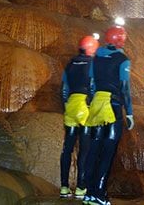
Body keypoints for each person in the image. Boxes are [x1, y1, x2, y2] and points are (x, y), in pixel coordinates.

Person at [82, 22, 134, 205]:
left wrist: (91, 104)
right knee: (108, 152)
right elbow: (125, 88)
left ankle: (89, 192)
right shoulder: (123, 60)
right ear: (120, 40)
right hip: (112, 107)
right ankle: (100, 194)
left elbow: (90, 84)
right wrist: (129, 112)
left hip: (97, 106)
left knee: (94, 149)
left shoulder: (95, 57)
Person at [60, 34, 99, 199]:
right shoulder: (92, 63)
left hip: (71, 106)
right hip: (85, 106)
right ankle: (81, 187)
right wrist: (91, 105)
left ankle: (64, 187)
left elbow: (63, 89)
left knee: (67, 149)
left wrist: (66, 106)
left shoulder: (70, 64)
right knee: (85, 149)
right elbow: (92, 86)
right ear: (92, 49)